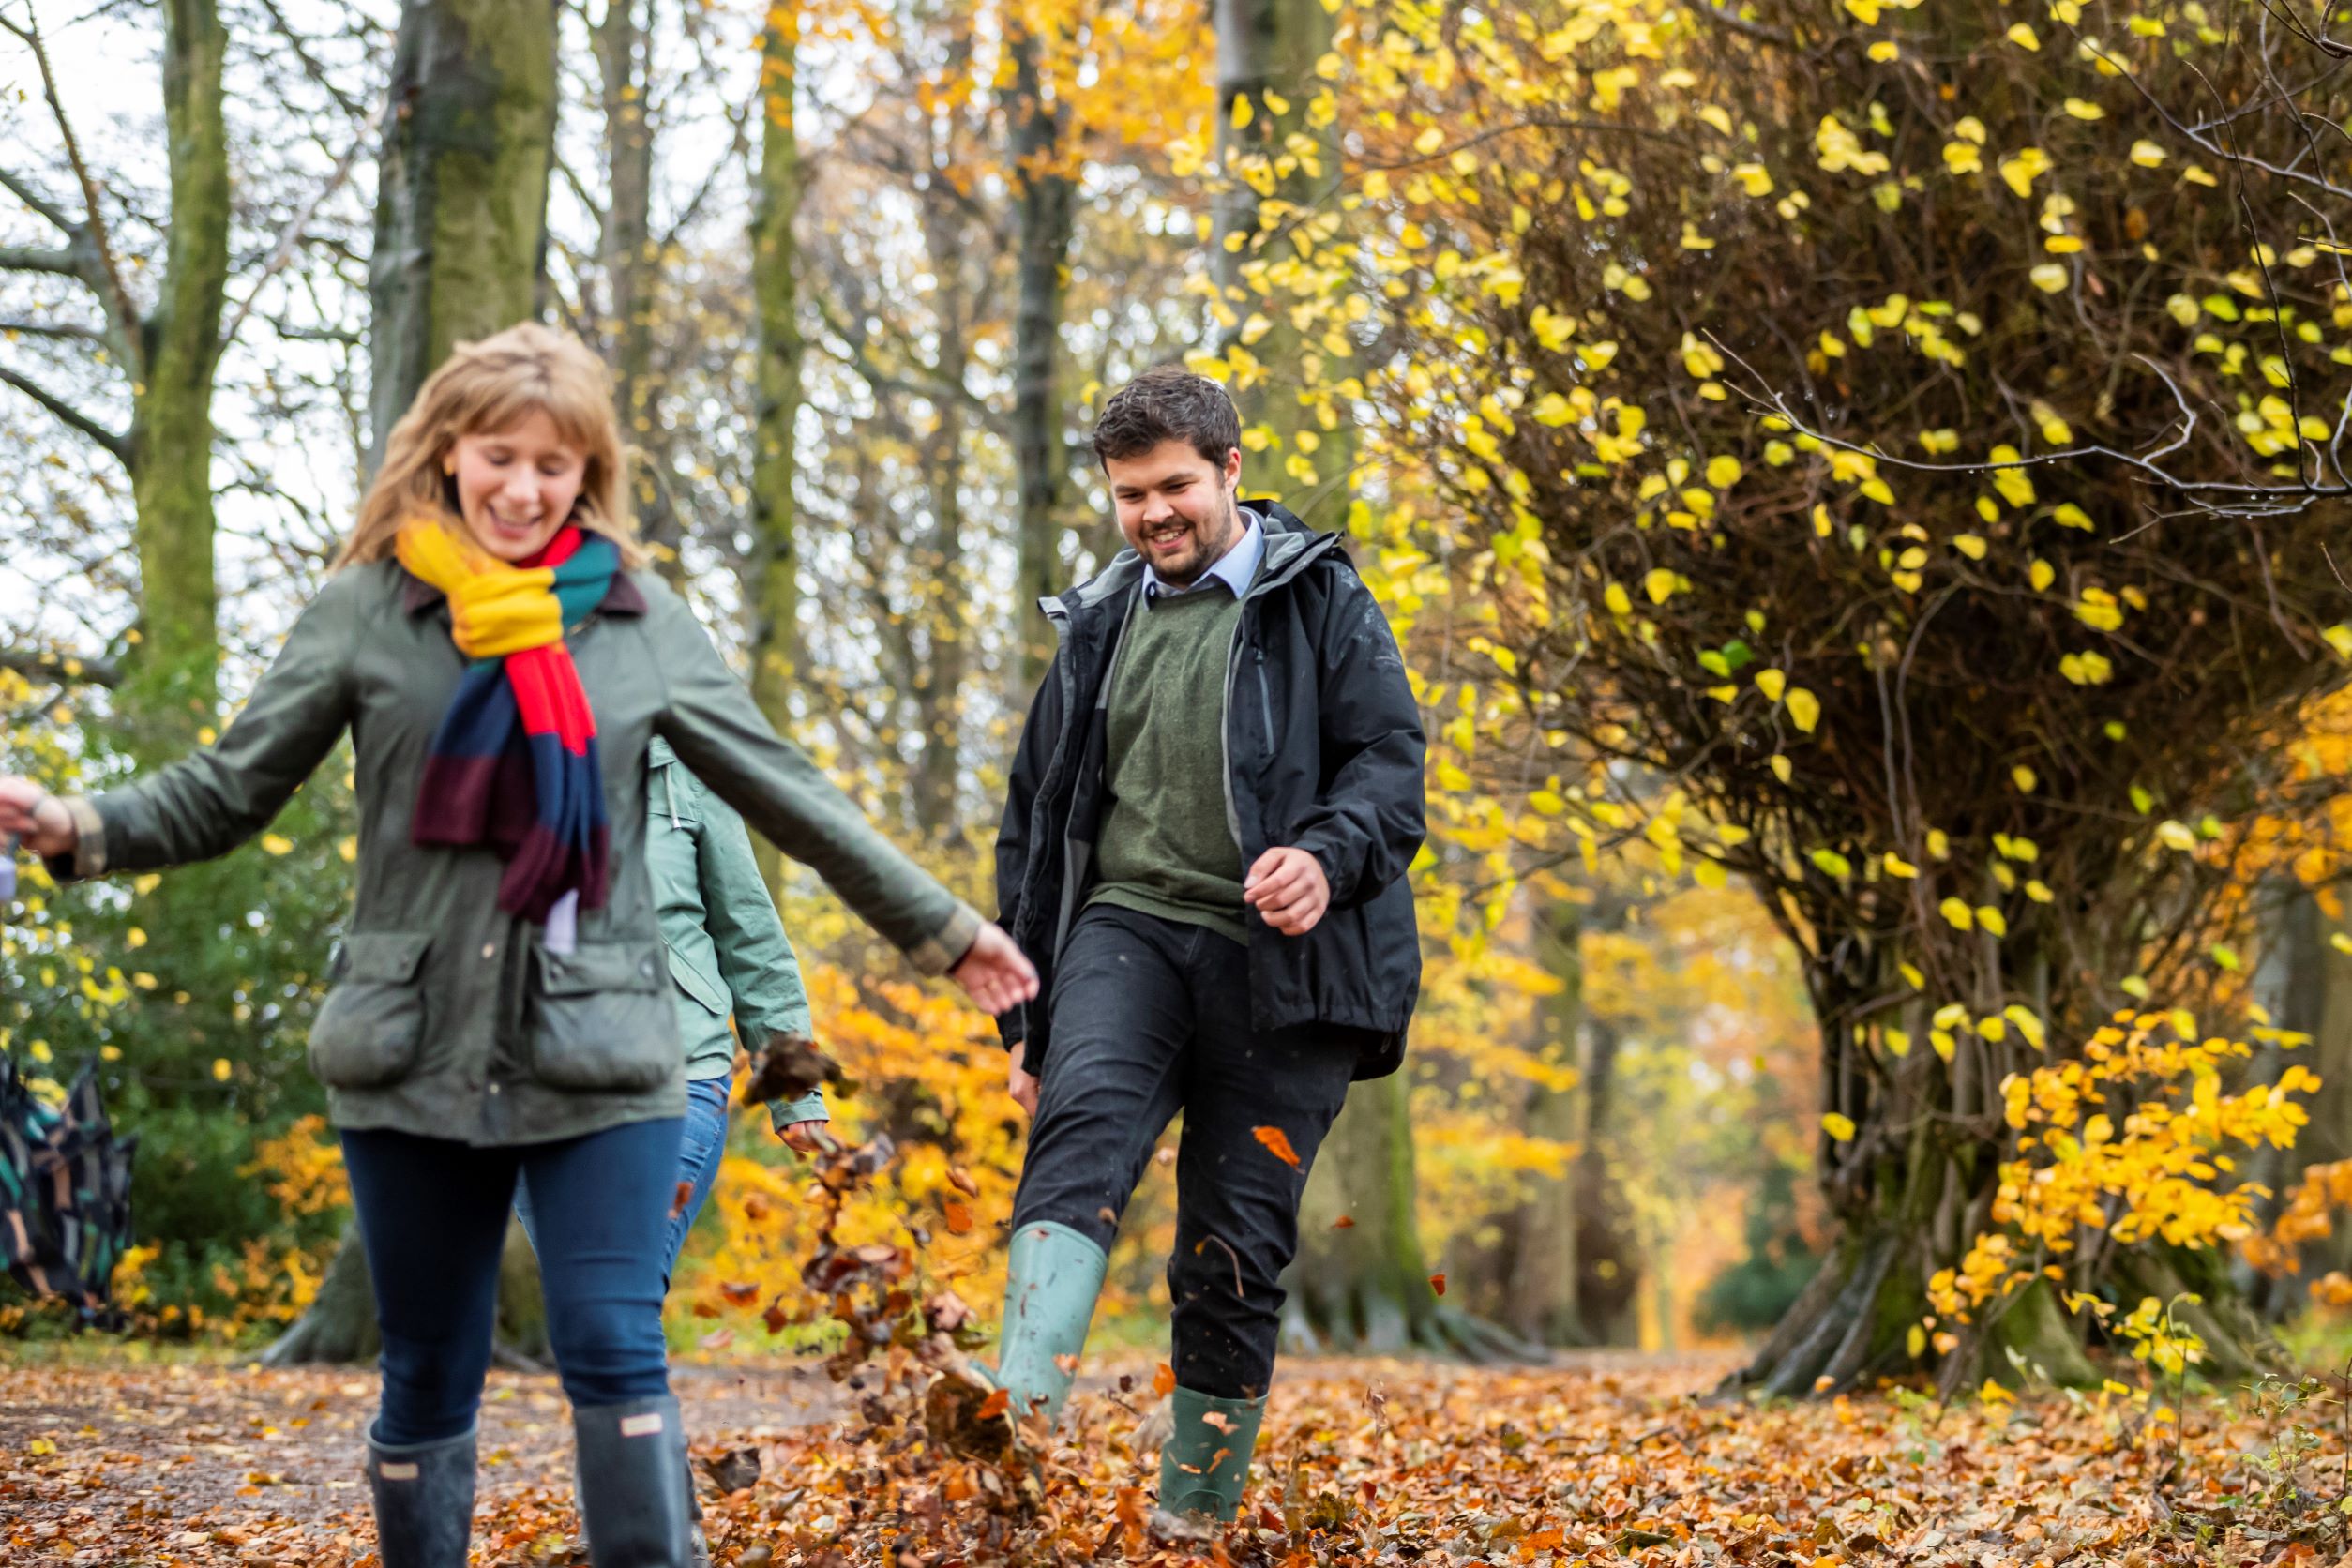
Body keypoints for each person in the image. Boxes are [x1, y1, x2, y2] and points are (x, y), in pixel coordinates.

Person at [0, 324, 1036, 1568]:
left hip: (606, 1048)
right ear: (448, 453)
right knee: (430, 1361)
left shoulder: (641, 625)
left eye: (556, 464)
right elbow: (227, 791)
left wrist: (945, 929)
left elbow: (784, 791)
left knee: (612, 1340)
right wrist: (76, 824)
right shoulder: (366, 613)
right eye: (501, 456)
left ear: (586, 472)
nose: (524, 488)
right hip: (411, 1049)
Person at [971, 367, 1425, 1521]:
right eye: (1130, 495)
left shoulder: (1318, 599)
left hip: (1288, 969)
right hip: (1129, 931)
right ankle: (1010, 1433)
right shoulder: (1098, 623)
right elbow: (1038, 818)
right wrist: (1027, 1018)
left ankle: (1195, 1513)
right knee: (1075, 1146)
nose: (1154, 514)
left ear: (1229, 469)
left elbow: (1389, 763)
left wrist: (1324, 856)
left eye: (1174, 485)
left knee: (1232, 1249)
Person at [513, 739, 827, 1566]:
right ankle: (660, 1521)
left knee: (613, 1300)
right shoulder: (486, 748)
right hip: (525, 1085)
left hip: (675, 1067)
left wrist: (795, 1090)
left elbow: (750, 933)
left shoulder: (680, 765)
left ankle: (643, 1541)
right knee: (594, 1316)